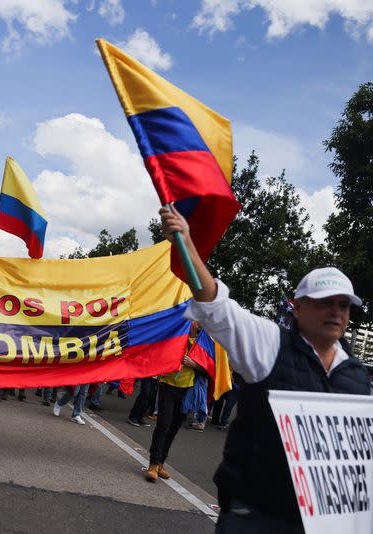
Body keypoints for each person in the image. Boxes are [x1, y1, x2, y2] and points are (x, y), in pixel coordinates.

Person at [160, 204, 370, 532]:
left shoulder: (356, 375)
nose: (336, 312)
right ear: (298, 307)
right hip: (255, 515)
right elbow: (216, 308)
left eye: (343, 305)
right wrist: (186, 244)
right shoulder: (269, 343)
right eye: (325, 302)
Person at [145, 321, 205, 481]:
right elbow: (161, 351)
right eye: (195, 318)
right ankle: (152, 464)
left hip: (187, 391)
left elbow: (210, 367)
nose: (197, 322)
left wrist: (195, 365)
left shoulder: (203, 343)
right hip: (168, 385)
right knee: (163, 425)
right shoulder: (177, 335)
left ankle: (160, 463)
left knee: (174, 428)